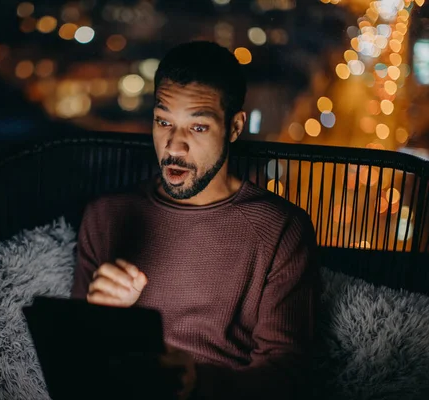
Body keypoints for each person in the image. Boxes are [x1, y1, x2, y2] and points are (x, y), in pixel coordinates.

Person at [71, 41, 319, 400]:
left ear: (234, 127)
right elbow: (75, 361)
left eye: (197, 128)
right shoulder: (106, 215)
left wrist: (196, 384)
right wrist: (97, 320)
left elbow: (287, 375)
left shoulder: (280, 230)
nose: (174, 146)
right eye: (163, 121)